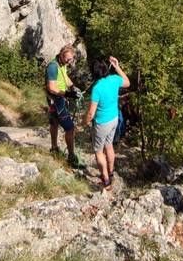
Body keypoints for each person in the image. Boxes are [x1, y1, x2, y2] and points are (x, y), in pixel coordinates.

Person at [84, 56, 130, 190]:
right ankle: (111, 173)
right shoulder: (114, 80)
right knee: (109, 146)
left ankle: (106, 181)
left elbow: (91, 113)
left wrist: (83, 123)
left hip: (102, 123)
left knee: (98, 151)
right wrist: (117, 67)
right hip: (114, 119)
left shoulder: (97, 88)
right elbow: (127, 82)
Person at [45, 44, 84, 169]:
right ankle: (71, 156)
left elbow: (64, 76)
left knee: (54, 123)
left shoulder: (61, 64)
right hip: (57, 101)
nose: (69, 61)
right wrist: (67, 93)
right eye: (67, 59)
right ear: (61, 55)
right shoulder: (52, 67)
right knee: (70, 128)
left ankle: (54, 147)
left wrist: (72, 86)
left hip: (55, 100)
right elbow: (51, 87)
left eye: (71, 59)